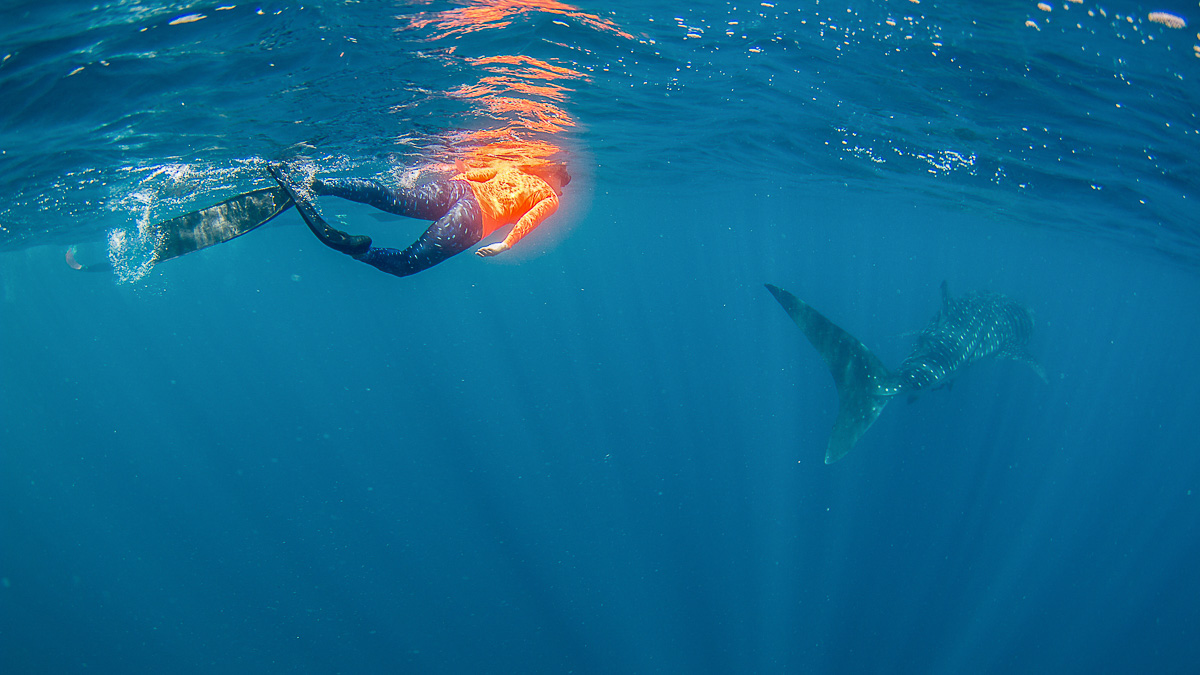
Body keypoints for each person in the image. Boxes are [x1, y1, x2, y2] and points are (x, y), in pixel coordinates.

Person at [267, 160, 570, 277]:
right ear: (556, 178)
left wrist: (445, 192)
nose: (561, 189)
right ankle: (359, 251)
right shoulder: (550, 197)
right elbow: (531, 219)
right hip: (474, 218)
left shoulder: (513, 168)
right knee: (406, 264)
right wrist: (506, 245)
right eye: (563, 183)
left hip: (456, 191)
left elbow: (471, 175)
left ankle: (319, 185)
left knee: (389, 197)